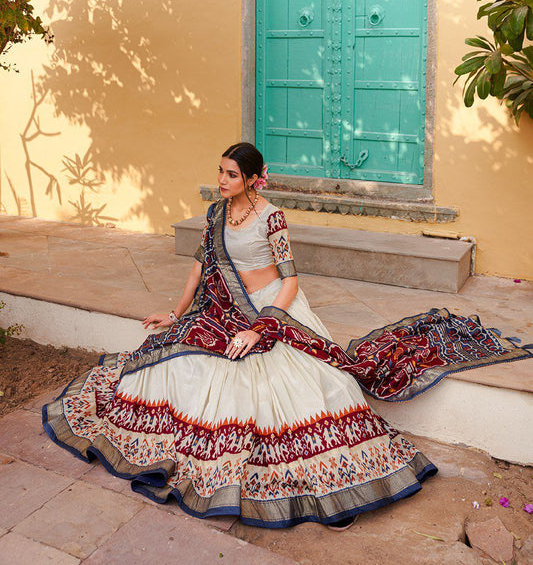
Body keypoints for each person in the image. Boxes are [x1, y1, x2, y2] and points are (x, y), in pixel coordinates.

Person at [42, 142, 531, 530]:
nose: (222, 181)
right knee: (175, 354)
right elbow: (200, 263)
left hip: (274, 305)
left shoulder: (272, 217)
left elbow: (291, 278)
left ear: (254, 178)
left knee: (299, 382)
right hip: (224, 306)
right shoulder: (217, 213)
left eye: (231, 175)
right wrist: (175, 311)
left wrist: (262, 326)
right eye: (219, 172)